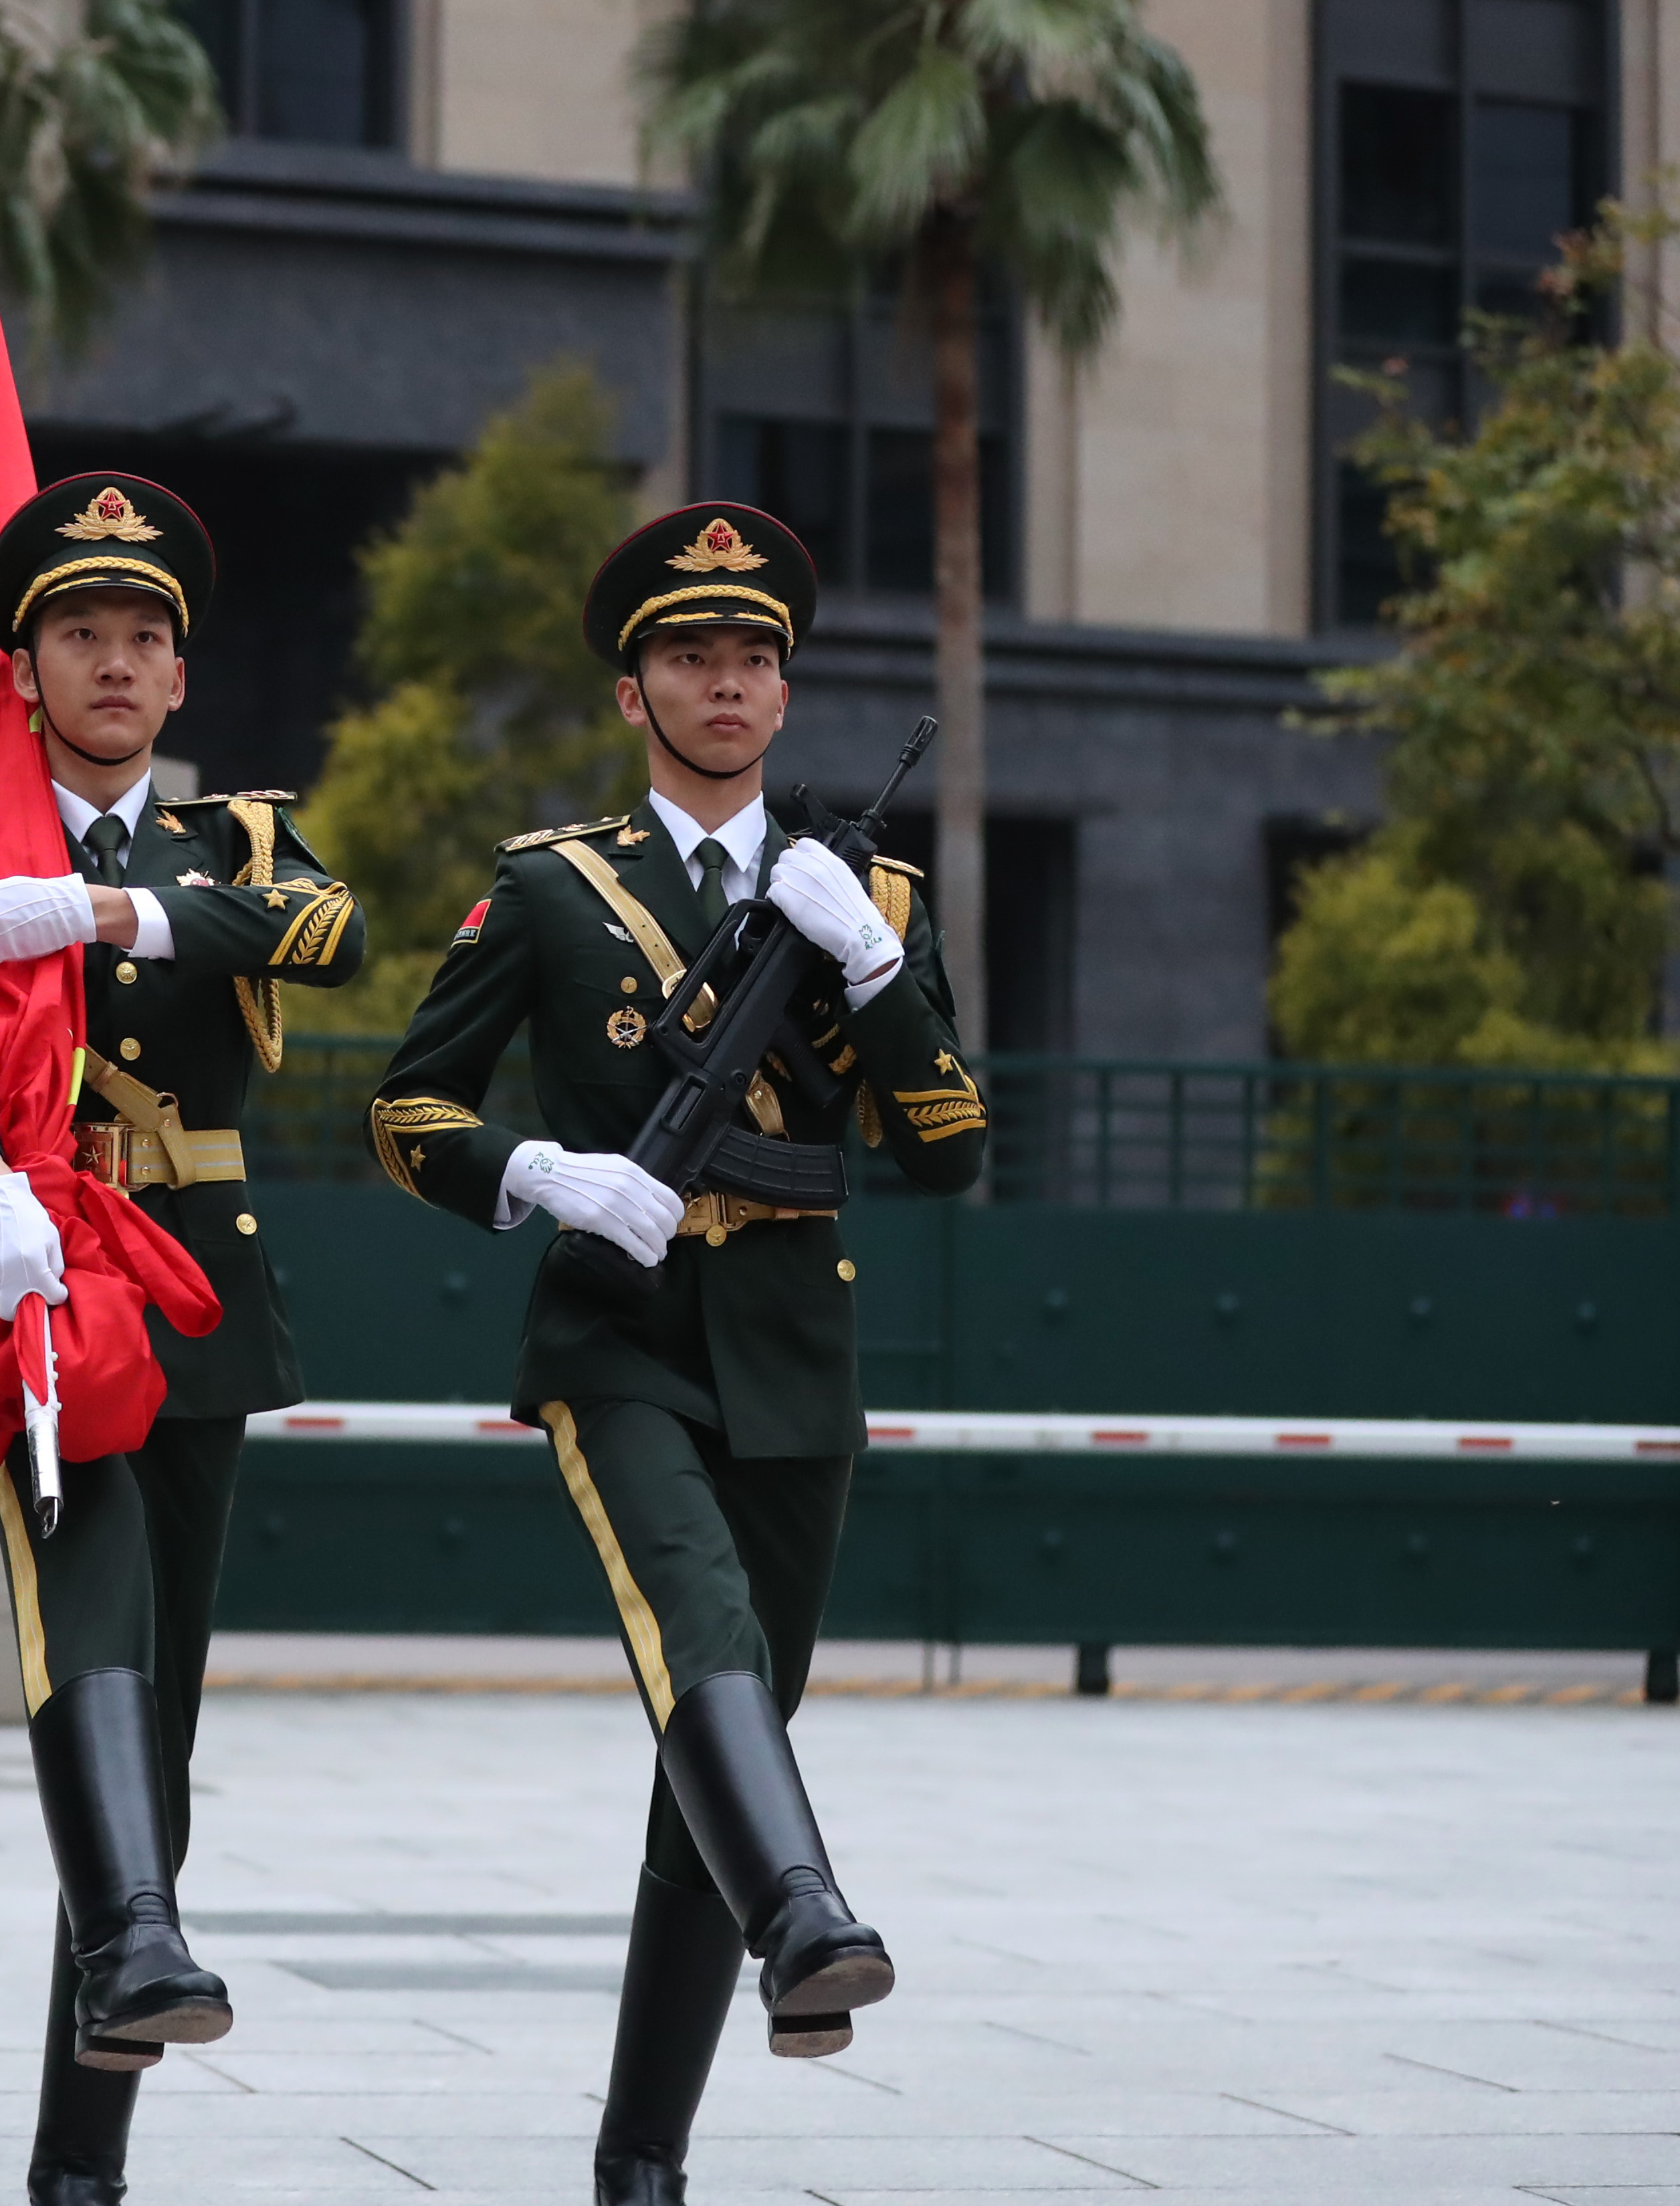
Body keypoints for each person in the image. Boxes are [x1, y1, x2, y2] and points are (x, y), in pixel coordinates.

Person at [366, 503, 984, 2205]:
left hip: (795, 1343)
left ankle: (642, 2163)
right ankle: (806, 1912)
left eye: (756, 658)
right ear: (633, 691)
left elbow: (947, 1148)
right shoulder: (553, 887)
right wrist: (539, 1177)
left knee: (732, 1734)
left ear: (786, 694)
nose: (728, 683)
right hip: (620, 1337)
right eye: (692, 657)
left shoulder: (875, 892)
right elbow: (407, 1107)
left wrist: (870, 966)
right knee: (698, 1633)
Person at [0, 474, 364, 2206]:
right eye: (77, 631)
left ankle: (78, 2155)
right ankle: (146, 1936)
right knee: (82, 1596)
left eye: (141, 635)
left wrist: (112, 915)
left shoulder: (233, 839)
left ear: (177, 679)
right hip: (31, 1279)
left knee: (149, 1728)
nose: (111, 658)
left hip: (191, 1297)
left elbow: (332, 931)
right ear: (23, 668)